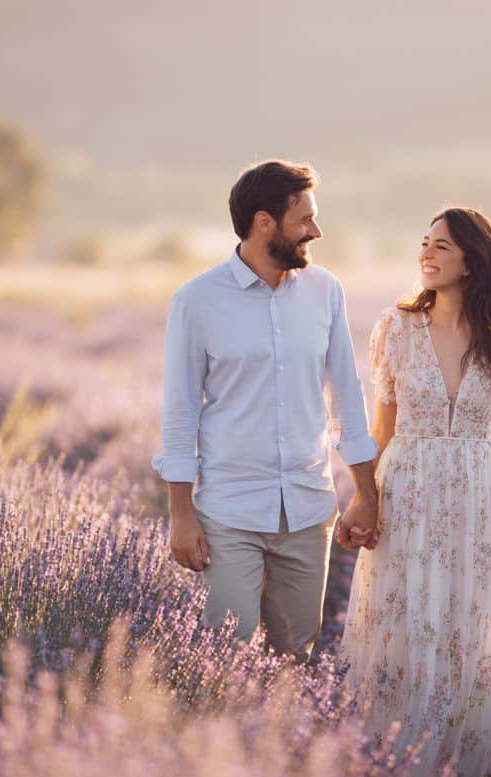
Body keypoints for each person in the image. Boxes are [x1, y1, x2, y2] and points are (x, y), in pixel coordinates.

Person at [337, 207, 491, 777]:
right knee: (402, 632)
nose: (426, 255)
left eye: (441, 247)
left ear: (473, 261)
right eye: (424, 244)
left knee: (466, 642)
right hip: (408, 499)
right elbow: (381, 428)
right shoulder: (396, 330)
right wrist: (362, 499)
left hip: (480, 507)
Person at [152, 159, 380, 662]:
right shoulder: (197, 301)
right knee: (225, 656)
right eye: (305, 220)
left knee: (295, 659)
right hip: (230, 511)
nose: (315, 232)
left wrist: (367, 494)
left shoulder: (326, 291)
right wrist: (181, 515)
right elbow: (180, 412)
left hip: (308, 508)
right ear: (264, 223)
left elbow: (347, 397)